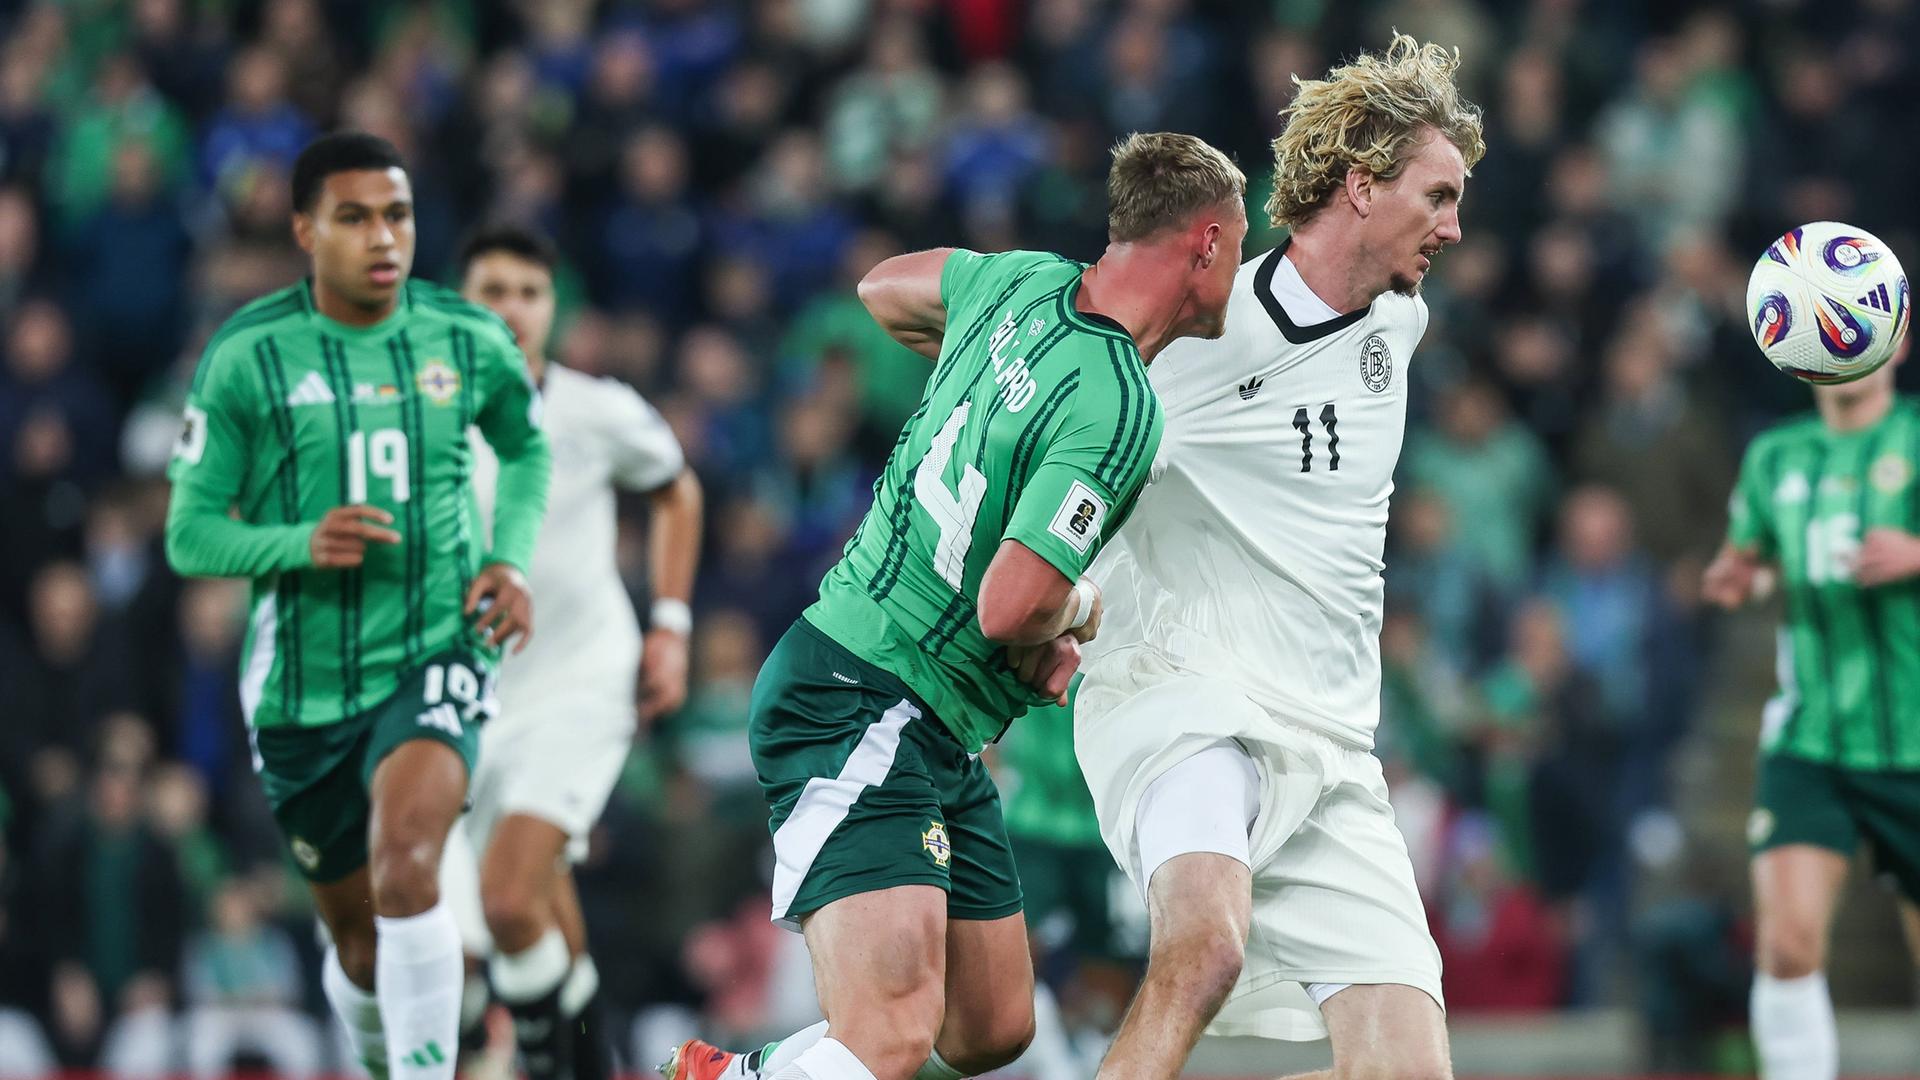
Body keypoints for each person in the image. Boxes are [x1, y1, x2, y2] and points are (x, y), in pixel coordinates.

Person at [661, 131, 1248, 1080]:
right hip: (869, 691)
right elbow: (1009, 609)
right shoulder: (1121, 403)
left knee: (990, 1027)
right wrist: (1079, 603)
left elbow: (881, 287)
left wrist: (977, 364)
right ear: (1208, 243)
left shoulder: (1017, 285)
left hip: (930, 719)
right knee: (889, 1033)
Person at [1072, 35, 1481, 1079]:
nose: (1455, 224)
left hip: (1334, 747)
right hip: (1184, 697)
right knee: (1203, 951)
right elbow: (1070, 460)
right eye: (1436, 195)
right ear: (1359, 183)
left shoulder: (1401, 321)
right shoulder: (1192, 341)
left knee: (1408, 1069)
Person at [164, 132, 552, 1080]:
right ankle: (385, 1058)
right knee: (361, 945)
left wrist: (509, 560)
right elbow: (190, 533)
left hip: (438, 645)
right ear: (304, 229)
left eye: (399, 214)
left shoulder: (464, 337)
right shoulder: (248, 356)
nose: (384, 237)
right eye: (355, 217)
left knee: (410, 862)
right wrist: (299, 542)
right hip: (303, 691)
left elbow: (529, 447)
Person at [438, 223, 704, 1080]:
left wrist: (670, 623)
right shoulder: (423, 425)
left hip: (583, 684)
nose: (510, 307)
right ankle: (587, 1055)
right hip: (472, 701)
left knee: (510, 896)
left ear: (552, 308)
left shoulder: (596, 410)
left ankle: (541, 1062)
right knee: (517, 914)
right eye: (492, 290)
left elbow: (676, 489)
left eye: (527, 291)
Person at [1701, 341, 1920, 1080]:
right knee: (1788, 944)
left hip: (1915, 745)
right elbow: (1757, 561)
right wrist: (1741, 578)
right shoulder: (1775, 455)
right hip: (1811, 740)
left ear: (1900, 337)